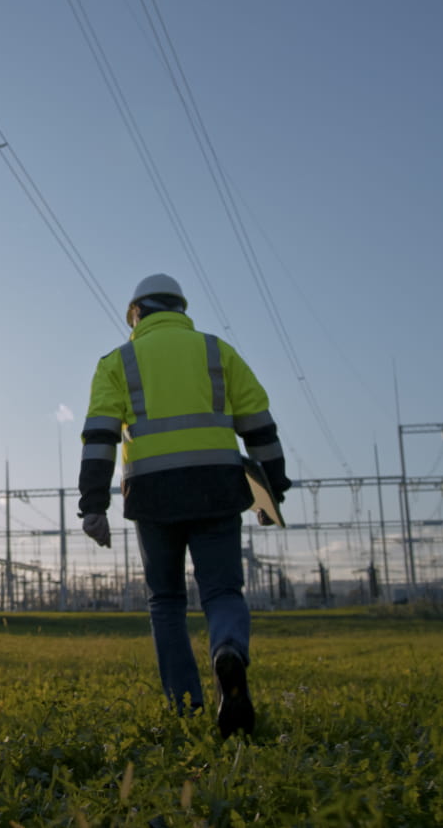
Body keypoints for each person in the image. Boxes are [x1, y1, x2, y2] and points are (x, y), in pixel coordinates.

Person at [77, 273, 290, 738]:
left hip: (152, 494)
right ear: (181, 309)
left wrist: (93, 504)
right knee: (222, 592)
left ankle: (186, 706)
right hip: (217, 487)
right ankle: (227, 652)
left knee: (167, 602)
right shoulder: (217, 352)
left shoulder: (119, 360)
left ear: (136, 314)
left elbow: (100, 437)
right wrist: (273, 489)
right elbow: (259, 426)